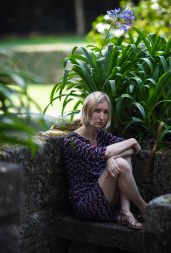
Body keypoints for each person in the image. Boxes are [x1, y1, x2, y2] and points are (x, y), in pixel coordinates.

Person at [62, 91, 147, 230]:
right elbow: (100, 153)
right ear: (87, 111)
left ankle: (125, 211)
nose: (102, 117)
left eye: (106, 112)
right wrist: (131, 141)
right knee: (120, 162)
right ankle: (143, 207)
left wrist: (112, 157)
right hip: (85, 203)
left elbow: (132, 150)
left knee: (122, 156)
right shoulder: (72, 141)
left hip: (107, 195)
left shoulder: (101, 135)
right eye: (97, 111)